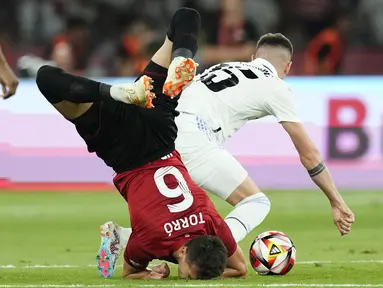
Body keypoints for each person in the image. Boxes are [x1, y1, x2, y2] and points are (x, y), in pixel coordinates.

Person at [35, 8, 247, 280]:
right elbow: (129, 273)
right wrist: (151, 275)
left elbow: (239, 269)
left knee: (186, 16)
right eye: (187, 275)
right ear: (182, 255)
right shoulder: (151, 241)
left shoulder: (213, 224)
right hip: (121, 148)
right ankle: (113, 93)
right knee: (46, 78)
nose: (184, 278)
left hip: (158, 126)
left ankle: (176, 61)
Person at [172, 33, 355, 243]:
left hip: (164, 128)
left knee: (171, 217)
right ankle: (210, 254)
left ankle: (125, 238)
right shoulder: (276, 87)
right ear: (287, 68)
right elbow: (309, 155)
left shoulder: (223, 67)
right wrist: (337, 201)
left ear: (252, 58)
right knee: (255, 202)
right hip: (195, 136)